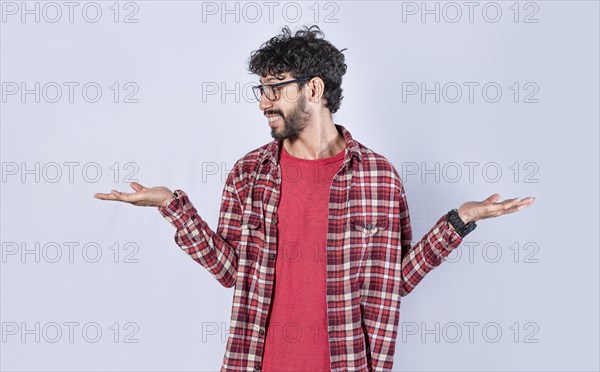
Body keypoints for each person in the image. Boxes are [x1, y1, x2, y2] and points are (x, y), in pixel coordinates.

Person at [94, 25, 536, 372]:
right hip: (256, 362)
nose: (265, 102)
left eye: (276, 89)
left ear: (315, 90)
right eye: (261, 90)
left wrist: (457, 222)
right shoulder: (250, 173)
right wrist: (174, 207)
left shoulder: (377, 177)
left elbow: (394, 281)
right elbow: (230, 271)